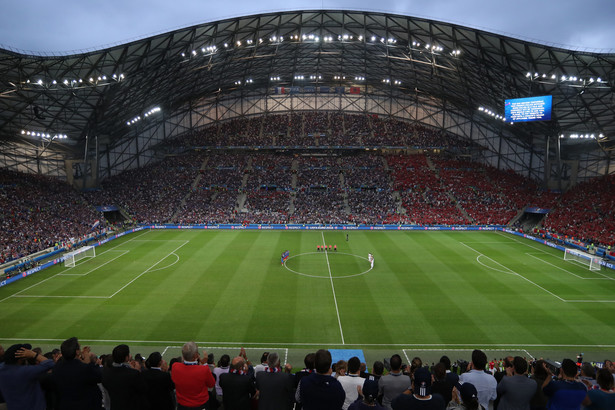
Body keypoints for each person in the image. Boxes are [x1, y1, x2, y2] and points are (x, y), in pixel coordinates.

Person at [51, 337, 103, 410]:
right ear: (77, 352)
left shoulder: (56, 368)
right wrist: (88, 362)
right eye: (79, 348)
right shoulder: (85, 368)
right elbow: (99, 377)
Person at [0, 343, 55, 410]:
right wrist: (34, 354)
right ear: (20, 359)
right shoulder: (25, 371)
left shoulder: (2, 369)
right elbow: (50, 364)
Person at [102, 344, 149, 410]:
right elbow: (143, 389)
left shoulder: (105, 373)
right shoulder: (133, 374)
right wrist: (137, 371)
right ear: (126, 358)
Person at [171, 341, 216, 410]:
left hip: (182, 405)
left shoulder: (175, 367)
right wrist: (204, 364)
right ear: (196, 355)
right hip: (200, 406)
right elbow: (211, 384)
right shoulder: (203, 369)